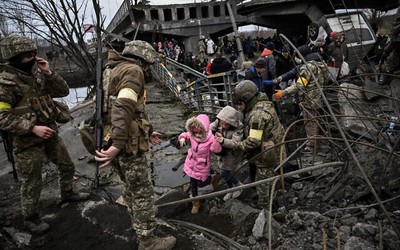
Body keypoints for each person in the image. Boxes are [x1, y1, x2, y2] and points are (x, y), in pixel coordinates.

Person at [0, 35, 90, 234]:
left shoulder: (38, 74)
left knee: (67, 165)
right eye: (27, 56)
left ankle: (67, 193)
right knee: (32, 181)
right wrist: (32, 128)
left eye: (34, 54)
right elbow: (2, 117)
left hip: (49, 132)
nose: (32, 58)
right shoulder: (5, 84)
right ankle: (30, 217)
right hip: (26, 141)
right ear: (13, 57)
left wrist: (48, 72)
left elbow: (63, 91)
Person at [94, 41, 176, 250]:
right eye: (148, 64)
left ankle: (138, 218)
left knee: (130, 185)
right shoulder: (133, 70)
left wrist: (148, 131)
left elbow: (124, 108)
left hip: (110, 135)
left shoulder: (111, 69)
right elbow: (123, 107)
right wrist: (119, 143)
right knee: (142, 190)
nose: (147, 69)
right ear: (142, 60)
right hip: (124, 141)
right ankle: (147, 240)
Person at [232, 80, 286, 208]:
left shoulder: (257, 115)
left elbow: (254, 141)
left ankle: (265, 208)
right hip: (276, 147)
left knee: (264, 182)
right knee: (272, 177)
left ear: (246, 99)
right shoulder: (264, 102)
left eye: (240, 102)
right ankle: (273, 196)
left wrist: (237, 146)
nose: (239, 105)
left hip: (268, 154)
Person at [273, 45, 329, 154]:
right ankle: (316, 140)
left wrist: (283, 92)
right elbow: (326, 80)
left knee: (309, 122)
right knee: (315, 120)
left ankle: (311, 146)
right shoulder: (321, 64)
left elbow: (299, 86)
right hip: (319, 98)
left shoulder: (307, 68)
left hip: (309, 100)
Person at [178, 114, 222, 214]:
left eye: (196, 126)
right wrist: (182, 138)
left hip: (202, 165)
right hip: (191, 163)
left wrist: (217, 141)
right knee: (193, 184)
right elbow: (185, 134)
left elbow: (216, 150)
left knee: (202, 183)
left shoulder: (210, 138)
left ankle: (213, 179)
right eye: (192, 126)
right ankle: (195, 203)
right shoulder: (192, 134)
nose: (193, 128)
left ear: (203, 127)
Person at [211, 106, 244, 201]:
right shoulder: (219, 121)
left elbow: (235, 143)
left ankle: (238, 185)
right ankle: (230, 188)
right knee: (224, 170)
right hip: (221, 151)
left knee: (225, 172)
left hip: (232, 153)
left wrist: (222, 140)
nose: (223, 126)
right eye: (222, 123)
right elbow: (210, 128)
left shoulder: (239, 127)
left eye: (226, 124)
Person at [379, 0, 400, 85]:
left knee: (389, 63)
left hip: (397, 40)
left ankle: (384, 81)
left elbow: (397, 25)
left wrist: (392, 35)